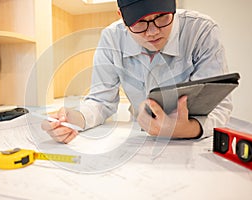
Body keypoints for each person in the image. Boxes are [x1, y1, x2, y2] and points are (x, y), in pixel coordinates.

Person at [41, 0, 232, 144]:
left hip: (195, 140)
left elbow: (220, 106)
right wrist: (73, 119)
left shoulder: (201, 31)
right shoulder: (112, 38)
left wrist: (188, 129)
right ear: (121, 17)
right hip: (141, 139)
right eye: (139, 22)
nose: (152, 32)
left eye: (161, 17)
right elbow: (100, 101)